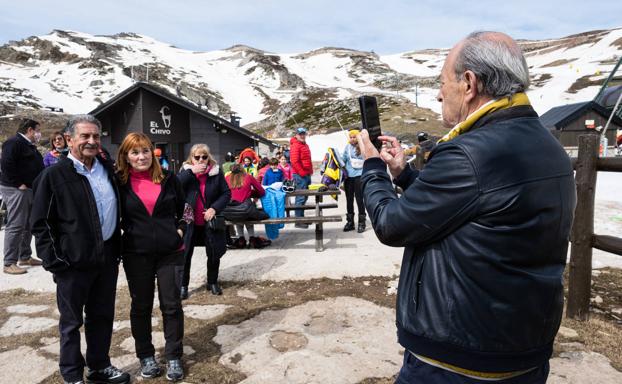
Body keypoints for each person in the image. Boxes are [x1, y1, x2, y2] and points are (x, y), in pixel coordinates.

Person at [357, 32, 576, 383]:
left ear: (470, 83)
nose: (439, 94)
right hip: (524, 350)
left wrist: (371, 167)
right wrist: (404, 174)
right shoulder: (546, 144)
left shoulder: (469, 152)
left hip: (459, 358)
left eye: (443, 83)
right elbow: (476, 210)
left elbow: (391, 223)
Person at [31, 114, 130, 384]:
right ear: (69, 139)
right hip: (72, 263)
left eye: (95, 136)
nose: (91, 141)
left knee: (101, 316)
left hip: (106, 258)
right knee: (72, 322)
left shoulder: (107, 170)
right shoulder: (53, 175)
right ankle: (72, 374)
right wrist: (55, 260)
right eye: (84, 136)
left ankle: (98, 366)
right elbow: (41, 223)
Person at [116, 133, 189, 381]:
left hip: (171, 252)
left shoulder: (169, 179)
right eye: (135, 152)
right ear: (126, 156)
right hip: (137, 254)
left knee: (171, 305)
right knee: (141, 306)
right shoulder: (119, 182)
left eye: (145, 150)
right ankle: (146, 356)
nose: (141, 156)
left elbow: (186, 210)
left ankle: (174, 356)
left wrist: (180, 231)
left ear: (153, 152)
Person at [177, 144, 231, 297]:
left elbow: (226, 194)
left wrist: (214, 208)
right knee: (185, 253)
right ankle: (183, 285)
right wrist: (190, 172)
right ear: (191, 158)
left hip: (210, 220)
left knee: (214, 252)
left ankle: (212, 281)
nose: (201, 160)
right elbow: (174, 187)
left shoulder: (215, 172)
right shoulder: (185, 172)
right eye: (197, 157)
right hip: (189, 220)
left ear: (209, 157)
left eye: (204, 157)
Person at [1, 118, 44, 274]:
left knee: (28, 224)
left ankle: (24, 256)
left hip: (28, 189)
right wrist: (18, 183)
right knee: (16, 224)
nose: (39, 134)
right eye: (38, 130)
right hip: (16, 189)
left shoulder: (29, 145)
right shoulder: (14, 142)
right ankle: (9, 263)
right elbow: (6, 164)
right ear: (30, 130)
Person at [225, 163, 272, 249]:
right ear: (242, 169)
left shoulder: (227, 178)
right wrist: (250, 192)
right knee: (250, 213)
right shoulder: (248, 177)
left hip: (230, 211)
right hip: (246, 211)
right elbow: (261, 191)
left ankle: (241, 239)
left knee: (238, 214)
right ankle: (252, 239)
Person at [341, 129, 366, 233]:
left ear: (358, 137)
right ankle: (350, 222)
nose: (352, 139)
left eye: (354, 137)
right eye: (350, 137)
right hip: (349, 177)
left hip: (359, 176)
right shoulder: (347, 147)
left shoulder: (362, 147)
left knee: (360, 199)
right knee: (349, 199)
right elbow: (344, 159)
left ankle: (361, 222)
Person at [289, 127, 313, 228]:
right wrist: (302, 173)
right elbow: (294, 162)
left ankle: (301, 218)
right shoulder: (295, 145)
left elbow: (307, 159)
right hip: (300, 175)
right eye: (300, 134)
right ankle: (298, 221)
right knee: (300, 197)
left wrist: (309, 171)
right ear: (296, 135)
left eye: (304, 134)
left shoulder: (305, 145)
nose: (302, 135)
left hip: (306, 175)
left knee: (304, 197)